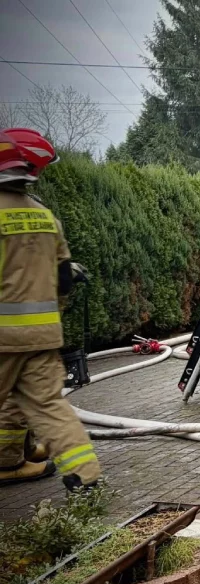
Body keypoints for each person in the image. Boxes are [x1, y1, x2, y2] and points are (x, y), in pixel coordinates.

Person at [0, 129, 101, 491]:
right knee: (49, 406)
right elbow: (64, 278)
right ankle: (85, 476)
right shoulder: (45, 215)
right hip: (43, 336)